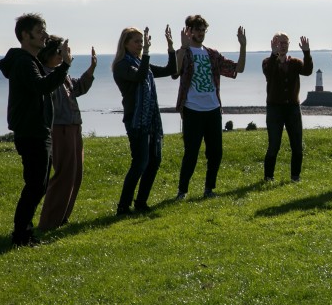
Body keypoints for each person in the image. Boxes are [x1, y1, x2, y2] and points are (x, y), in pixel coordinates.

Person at [0, 13, 73, 246]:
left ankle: (25, 233)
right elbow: (42, 86)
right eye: (39, 32)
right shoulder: (24, 62)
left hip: (38, 130)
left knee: (38, 185)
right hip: (31, 132)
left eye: (44, 31)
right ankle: (21, 235)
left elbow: (42, 83)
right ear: (24, 35)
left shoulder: (30, 61)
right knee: (35, 186)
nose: (44, 35)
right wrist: (66, 66)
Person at [173, 15, 246, 199]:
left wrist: (243, 46)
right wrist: (182, 47)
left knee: (215, 153)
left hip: (213, 109)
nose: (201, 33)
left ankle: (209, 190)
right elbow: (175, 71)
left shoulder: (212, 54)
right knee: (191, 153)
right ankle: (182, 191)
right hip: (192, 110)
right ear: (188, 30)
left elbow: (238, 69)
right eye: (197, 29)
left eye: (203, 29)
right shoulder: (184, 52)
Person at [113, 26, 176, 214]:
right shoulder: (122, 65)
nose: (140, 45)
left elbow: (171, 70)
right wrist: (147, 52)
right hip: (135, 121)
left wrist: (171, 47)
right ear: (125, 43)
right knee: (140, 162)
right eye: (137, 42)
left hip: (150, 121)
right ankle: (123, 207)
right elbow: (139, 75)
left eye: (142, 42)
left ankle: (141, 202)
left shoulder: (141, 63)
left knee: (154, 160)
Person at [36, 36, 96, 230]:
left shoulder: (61, 73)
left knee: (75, 174)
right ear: (49, 52)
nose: (64, 55)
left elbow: (77, 88)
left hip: (73, 126)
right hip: (60, 128)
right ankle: (49, 222)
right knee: (64, 174)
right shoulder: (44, 73)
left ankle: (62, 218)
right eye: (61, 51)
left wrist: (91, 70)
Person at [262, 32, 313, 182]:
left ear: (289, 45)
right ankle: (268, 177)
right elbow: (268, 72)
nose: (282, 46)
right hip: (274, 109)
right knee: (274, 145)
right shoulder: (267, 61)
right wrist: (273, 54)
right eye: (279, 43)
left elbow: (308, 71)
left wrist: (307, 52)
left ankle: (295, 177)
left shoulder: (295, 63)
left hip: (293, 109)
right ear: (273, 44)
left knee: (297, 145)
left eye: (285, 43)